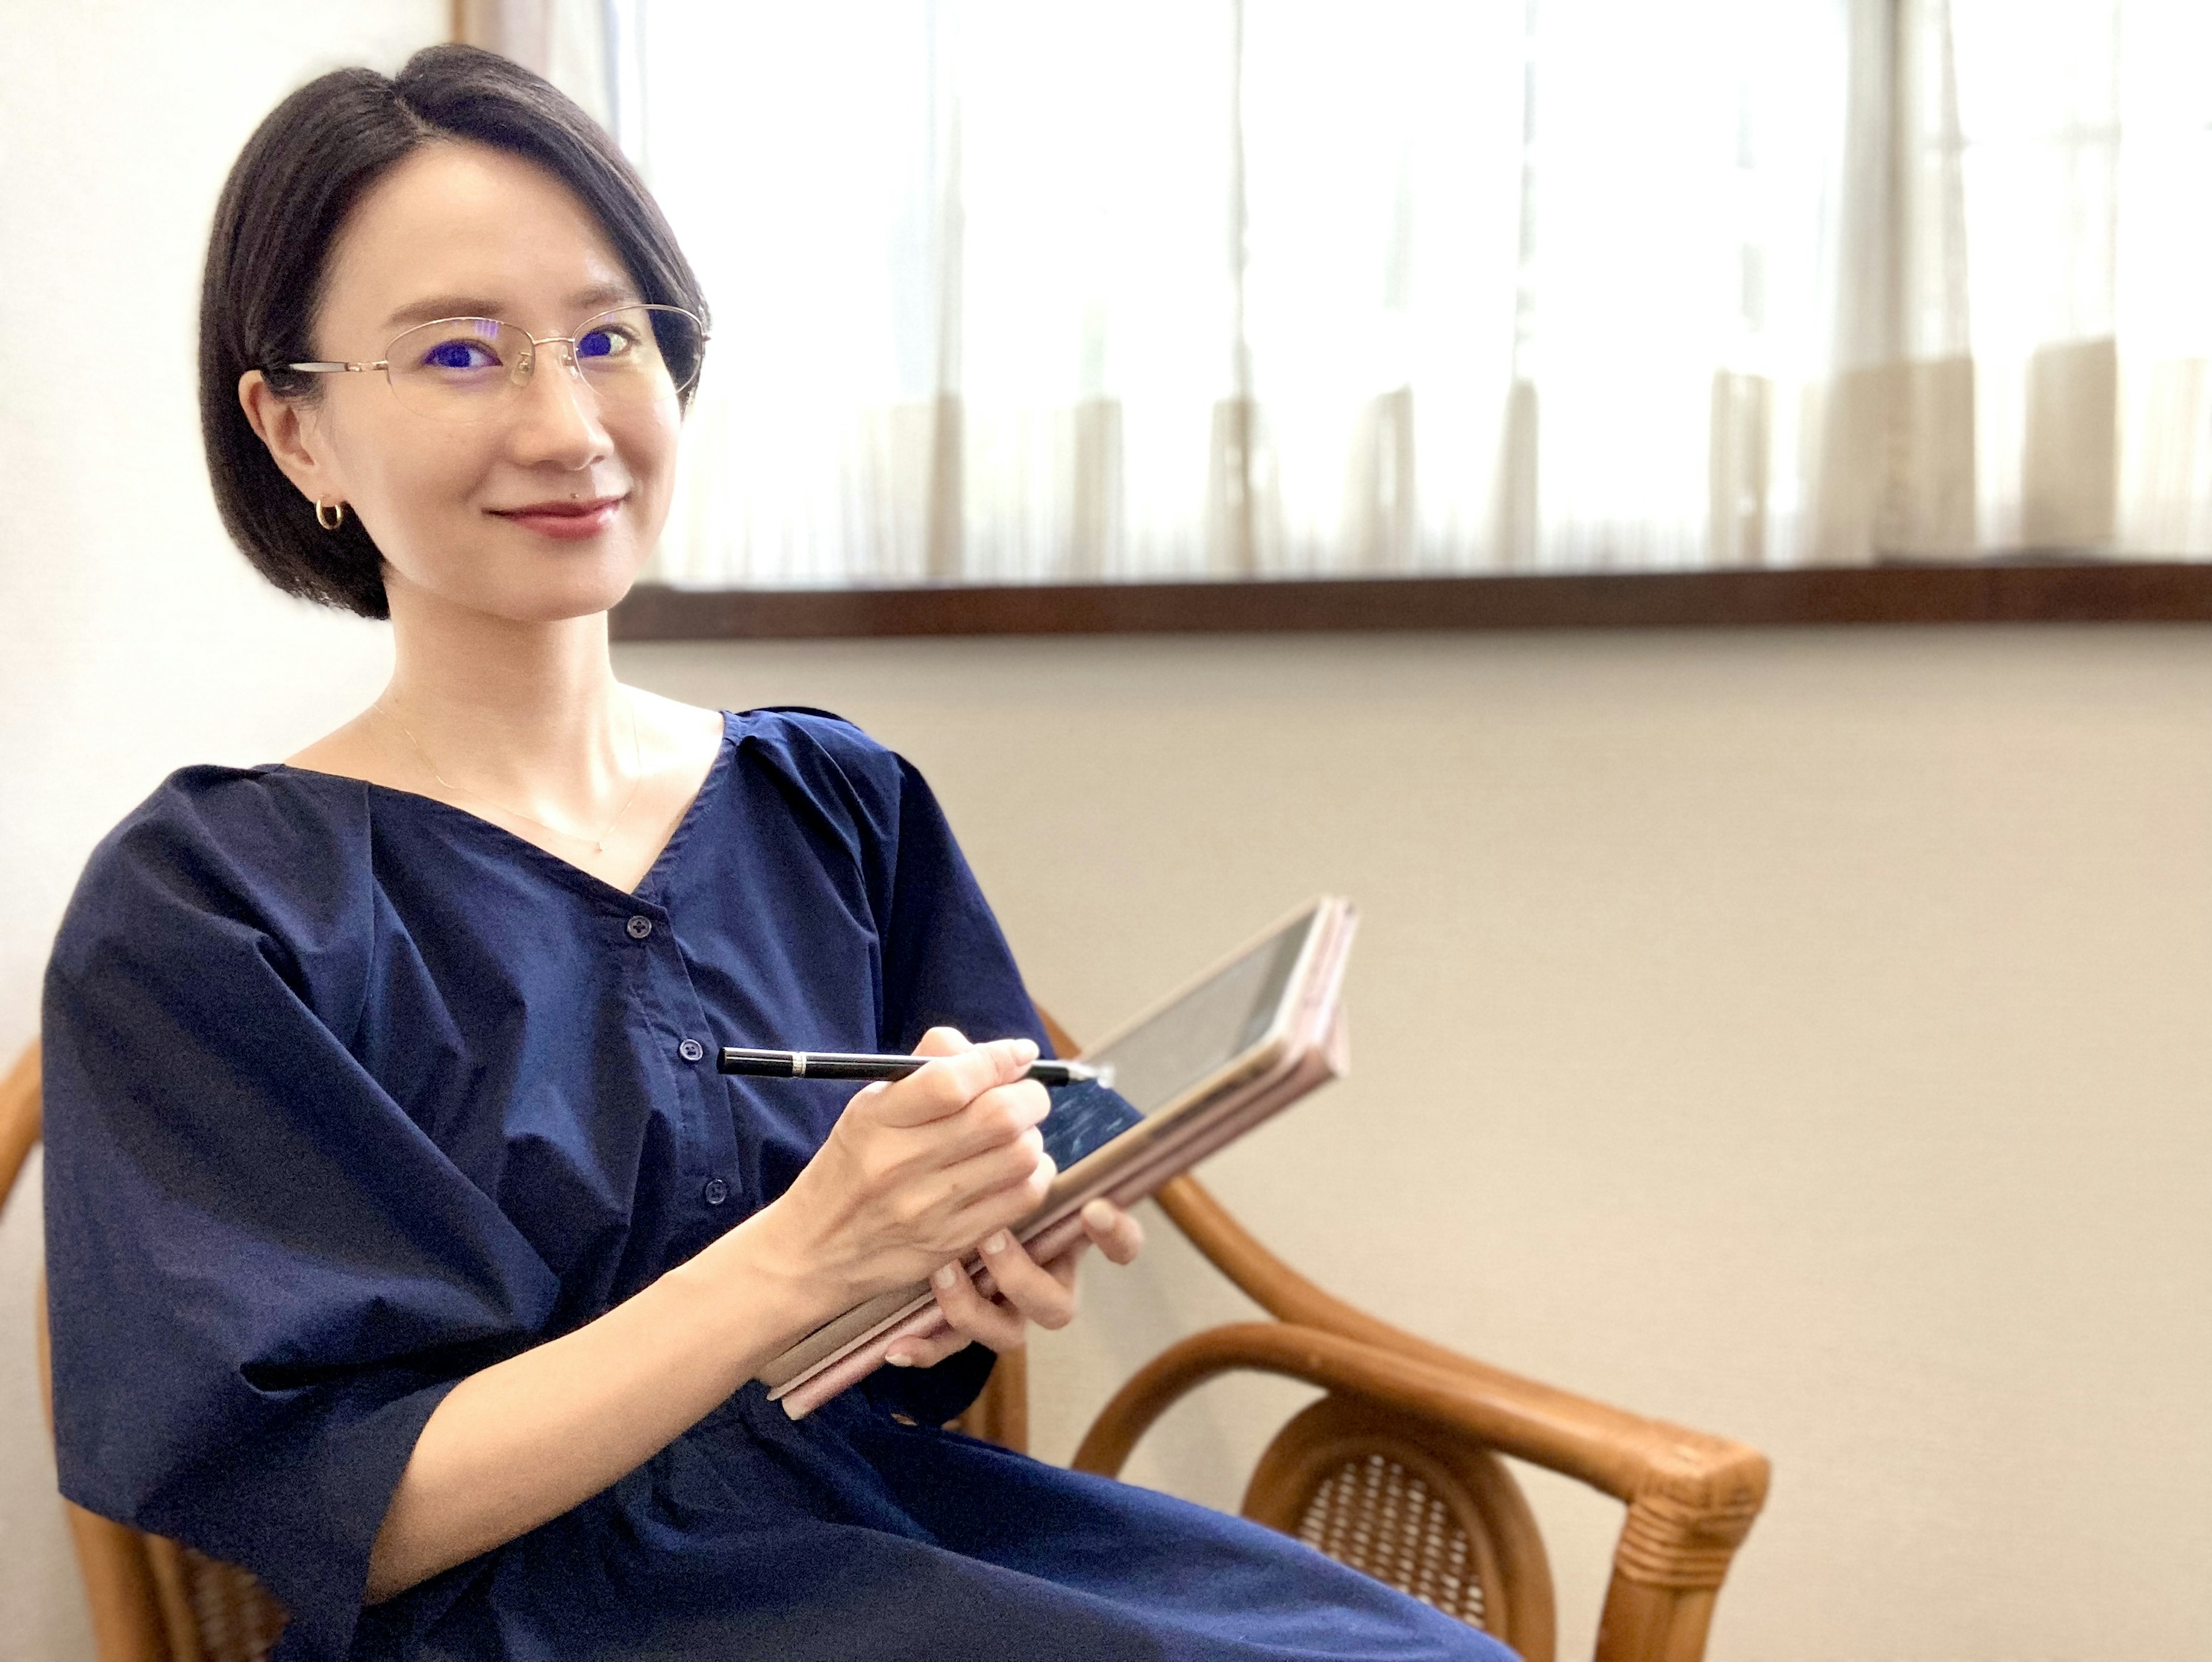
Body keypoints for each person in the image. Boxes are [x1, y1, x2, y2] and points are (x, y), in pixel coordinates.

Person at [40, 44, 1516, 1662]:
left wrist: (959, 1278)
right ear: (295, 431)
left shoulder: (833, 801)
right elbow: (345, 1515)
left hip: (881, 1544)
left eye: (609, 338)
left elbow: (904, 1356)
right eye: (458, 355)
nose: (567, 424)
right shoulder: (215, 909)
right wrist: (804, 1255)